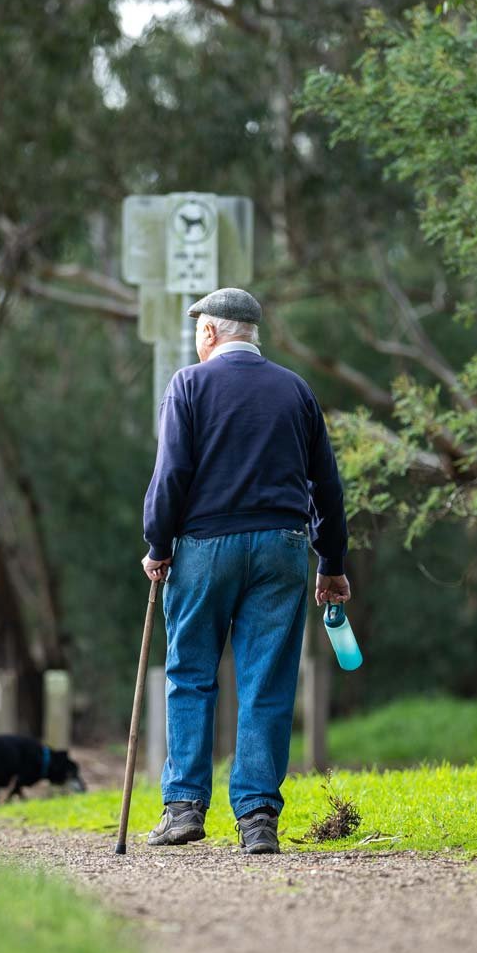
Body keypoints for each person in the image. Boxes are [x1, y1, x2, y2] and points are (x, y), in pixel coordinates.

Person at [140, 288, 351, 855]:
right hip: (282, 547)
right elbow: (327, 487)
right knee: (267, 680)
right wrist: (331, 562)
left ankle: (184, 808)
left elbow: (171, 474)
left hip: (204, 547)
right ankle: (258, 818)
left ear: (209, 332)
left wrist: (157, 543)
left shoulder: (188, 385)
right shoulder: (296, 390)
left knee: (191, 672)